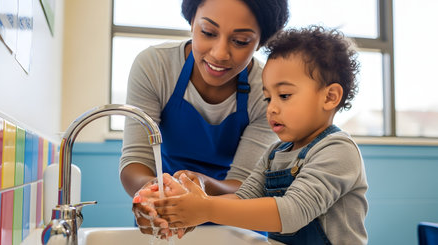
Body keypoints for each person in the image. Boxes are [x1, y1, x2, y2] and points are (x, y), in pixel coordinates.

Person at [150, 26, 369, 244]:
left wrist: (206, 208)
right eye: (268, 98)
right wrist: (192, 208)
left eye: (284, 95)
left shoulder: (338, 151)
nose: (271, 108)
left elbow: (293, 212)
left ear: (330, 97)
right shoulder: (274, 154)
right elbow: (242, 199)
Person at [120, 0, 289, 236]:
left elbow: (244, 183)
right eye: (208, 32)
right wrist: (155, 194)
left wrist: (200, 186)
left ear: (261, 41)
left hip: (233, 219)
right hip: (164, 216)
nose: (219, 53)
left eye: (240, 41)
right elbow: (135, 162)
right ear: (191, 22)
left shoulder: (266, 91)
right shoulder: (155, 66)